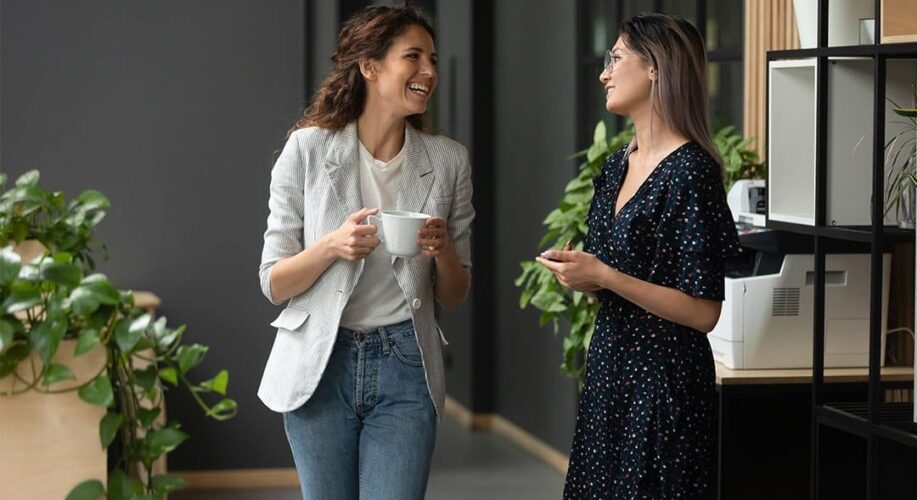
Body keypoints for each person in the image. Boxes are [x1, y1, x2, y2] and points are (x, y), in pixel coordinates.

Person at [256, 5, 473, 499]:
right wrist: (333, 245)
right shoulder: (307, 150)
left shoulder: (448, 161)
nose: (429, 73)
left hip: (405, 364)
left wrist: (441, 251)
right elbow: (273, 282)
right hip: (321, 362)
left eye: (433, 60)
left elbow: (456, 294)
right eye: (413, 57)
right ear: (370, 67)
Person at [536, 13, 740, 499]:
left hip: (666, 381)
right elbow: (615, 277)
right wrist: (585, 277)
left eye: (617, 57)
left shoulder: (691, 172)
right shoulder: (615, 165)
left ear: (655, 68)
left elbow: (704, 312)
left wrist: (605, 274)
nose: (604, 72)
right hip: (610, 368)